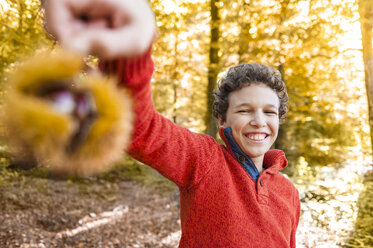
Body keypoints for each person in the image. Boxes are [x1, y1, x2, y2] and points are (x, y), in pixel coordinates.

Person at [44, 0, 300, 247]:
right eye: (244, 110)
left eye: (269, 112)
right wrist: (131, 41)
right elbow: (142, 129)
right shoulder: (205, 160)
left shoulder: (289, 193)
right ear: (222, 119)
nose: (259, 121)